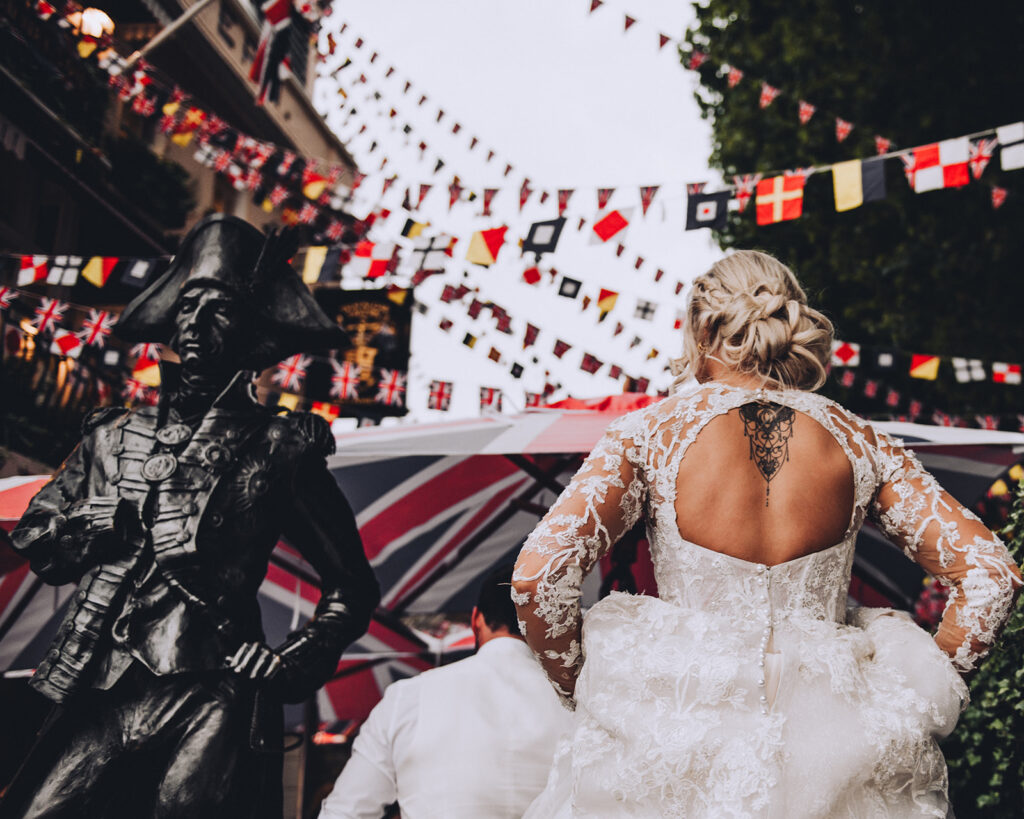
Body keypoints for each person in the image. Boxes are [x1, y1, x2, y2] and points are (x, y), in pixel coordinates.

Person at [512, 250, 1023, 818]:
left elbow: (540, 575)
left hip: (682, 727)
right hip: (839, 735)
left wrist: (586, 683)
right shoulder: (862, 441)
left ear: (703, 329)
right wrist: (917, 694)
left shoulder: (648, 434)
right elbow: (991, 576)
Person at [1, 214, 381, 818]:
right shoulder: (112, 435)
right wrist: (101, 522)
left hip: (213, 684)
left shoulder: (280, 446)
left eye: (218, 310)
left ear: (253, 331)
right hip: (103, 681)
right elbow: (39, 538)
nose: (196, 325)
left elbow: (351, 584)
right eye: (187, 308)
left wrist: (292, 657)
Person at [318, 565, 571, 819]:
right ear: (551, 628)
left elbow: (346, 812)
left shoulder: (408, 697)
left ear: (476, 620)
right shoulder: (580, 706)